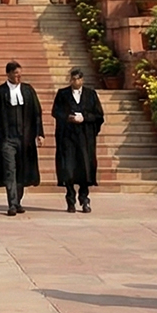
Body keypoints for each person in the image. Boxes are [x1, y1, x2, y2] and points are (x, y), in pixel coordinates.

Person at [0, 60, 43, 216]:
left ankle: (17, 201)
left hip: (25, 139)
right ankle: (11, 203)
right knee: (10, 170)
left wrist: (39, 133)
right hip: (6, 139)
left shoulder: (28, 91)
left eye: (20, 73)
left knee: (21, 170)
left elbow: (37, 114)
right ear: (8, 74)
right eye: (15, 73)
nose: (18, 76)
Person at [51, 67, 105, 213]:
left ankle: (84, 198)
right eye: (73, 79)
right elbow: (56, 111)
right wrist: (68, 117)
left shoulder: (90, 94)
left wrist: (85, 118)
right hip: (67, 137)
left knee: (85, 168)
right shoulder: (62, 94)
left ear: (82, 79)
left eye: (78, 79)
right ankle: (70, 198)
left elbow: (98, 115)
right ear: (70, 80)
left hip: (85, 137)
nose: (76, 82)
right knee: (68, 168)